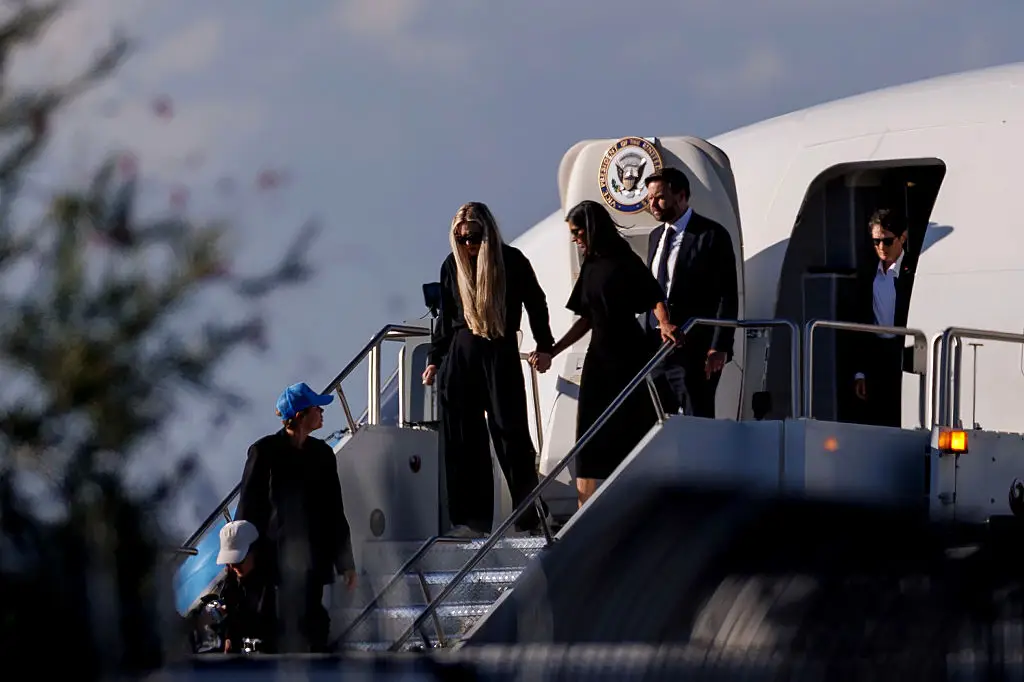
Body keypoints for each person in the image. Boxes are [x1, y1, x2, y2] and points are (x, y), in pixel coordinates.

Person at [422, 201, 555, 538]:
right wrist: (435, 359)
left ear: (489, 233)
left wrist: (545, 345)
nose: (469, 245)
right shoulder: (451, 266)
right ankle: (470, 520)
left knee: (511, 435)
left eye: (476, 237)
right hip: (461, 352)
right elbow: (445, 319)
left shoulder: (512, 261)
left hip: (499, 347)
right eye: (462, 238)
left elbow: (536, 303)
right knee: (463, 440)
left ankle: (529, 515)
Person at [540, 200, 676, 507]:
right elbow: (586, 319)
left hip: (628, 352)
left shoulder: (622, 258)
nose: (576, 238)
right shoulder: (590, 264)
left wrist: (664, 322)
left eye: (578, 232)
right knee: (589, 433)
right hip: (599, 355)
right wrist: (554, 350)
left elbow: (653, 294)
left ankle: (641, 505)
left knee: (633, 427)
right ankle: (583, 510)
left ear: (592, 228)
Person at [235, 382, 358, 653]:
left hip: (312, 561)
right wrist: (242, 555)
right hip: (272, 563)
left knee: (313, 629)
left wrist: (345, 562)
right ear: (301, 414)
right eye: (317, 408)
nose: (323, 413)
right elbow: (248, 506)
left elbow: (334, 511)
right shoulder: (264, 451)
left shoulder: (322, 454)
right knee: (273, 632)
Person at [642, 167, 739, 418]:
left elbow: (726, 294)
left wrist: (719, 345)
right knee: (658, 419)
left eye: (660, 197)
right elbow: (654, 288)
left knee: (698, 416)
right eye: (650, 198)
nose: (653, 204)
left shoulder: (711, 235)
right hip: (657, 347)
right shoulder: (655, 237)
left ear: (681, 196)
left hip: (695, 347)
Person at [848, 208, 915, 427]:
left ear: (902, 238)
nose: (880, 248)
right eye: (876, 241)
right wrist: (859, 371)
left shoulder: (912, 272)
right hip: (876, 354)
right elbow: (859, 323)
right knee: (874, 417)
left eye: (886, 241)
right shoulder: (868, 273)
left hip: (903, 352)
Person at [214, 520, 278, 653]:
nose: (233, 566)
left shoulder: (276, 586)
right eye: (229, 561)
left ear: (254, 551)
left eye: (239, 560)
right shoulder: (231, 585)